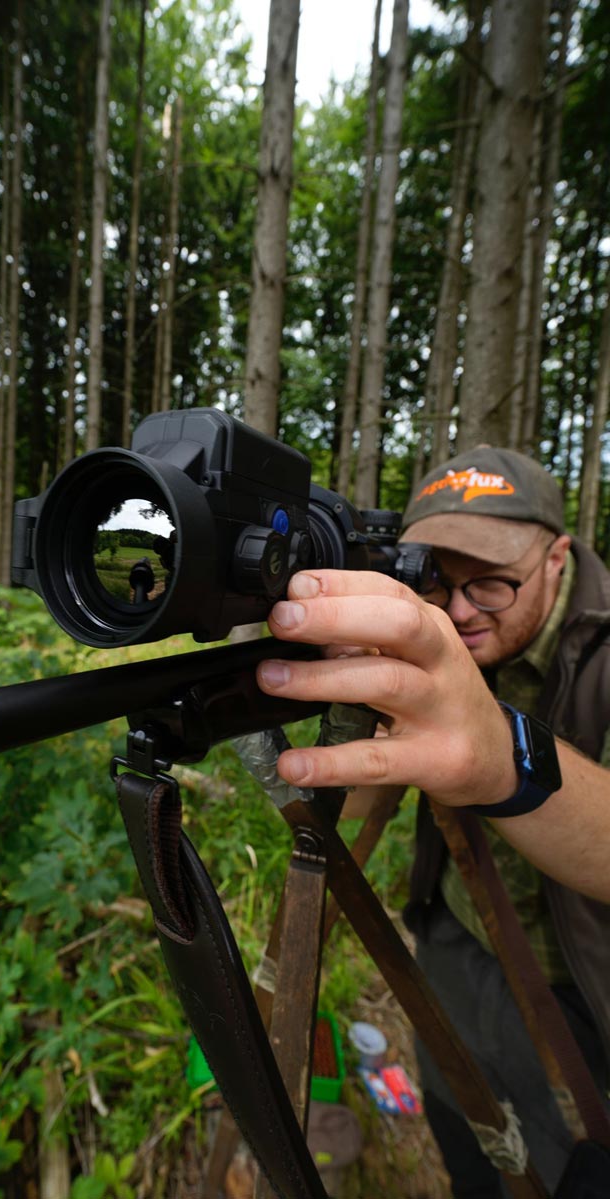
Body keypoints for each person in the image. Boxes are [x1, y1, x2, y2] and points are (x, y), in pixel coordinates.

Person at [255, 446, 610, 1197]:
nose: (457, 610)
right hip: (451, 948)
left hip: (586, 1001)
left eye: (489, 581)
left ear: (557, 557)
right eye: (437, 579)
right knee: (472, 1155)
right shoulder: (437, 626)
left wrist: (504, 757)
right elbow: (348, 807)